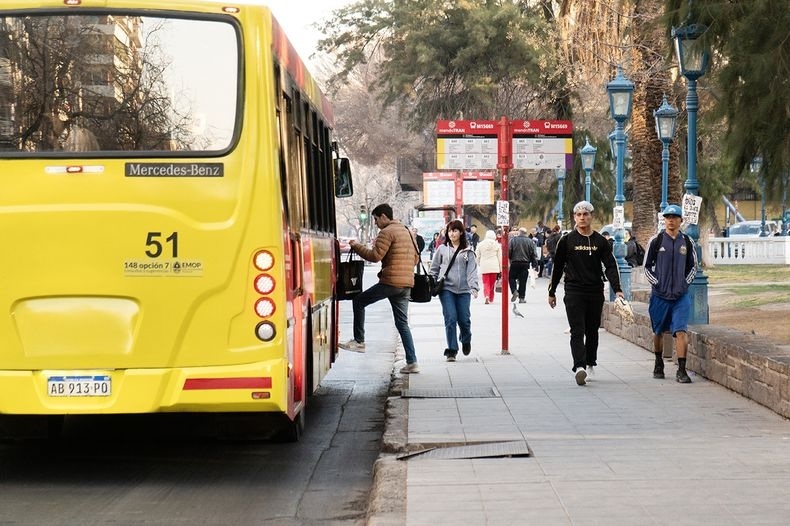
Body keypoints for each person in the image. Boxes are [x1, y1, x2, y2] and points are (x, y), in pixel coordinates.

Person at [548, 201, 624, 386]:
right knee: (577, 330)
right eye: (578, 214)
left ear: (591, 216)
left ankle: (590, 361)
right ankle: (579, 367)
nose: (582, 217)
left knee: (592, 331)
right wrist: (552, 292)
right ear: (574, 217)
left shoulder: (600, 241)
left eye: (585, 214)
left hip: (595, 291)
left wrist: (618, 290)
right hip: (574, 291)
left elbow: (611, 266)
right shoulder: (566, 241)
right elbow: (557, 267)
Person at [340, 203, 421, 374]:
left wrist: (356, 246)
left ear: (384, 216)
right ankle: (412, 362)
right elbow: (415, 258)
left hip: (391, 282)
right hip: (406, 283)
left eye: (376, 219)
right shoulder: (407, 231)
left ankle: (359, 341)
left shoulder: (386, 232)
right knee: (402, 323)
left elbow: (375, 256)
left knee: (359, 301)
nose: (376, 223)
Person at [643, 204, 698, 383]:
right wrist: (657, 283)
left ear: (681, 220)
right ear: (664, 220)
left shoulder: (687, 242)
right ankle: (658, 361)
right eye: (668, 217)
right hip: (660, 296)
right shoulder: (656, 241)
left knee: (681, 331)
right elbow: (647, 266)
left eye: (675, 217)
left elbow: (693, 266)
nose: (671, 220)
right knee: (658, 331)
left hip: (680, 297)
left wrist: (685, 283)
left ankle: (682, 370)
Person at [431, 219, 480, 361]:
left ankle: (466, 339)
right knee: (450, 318)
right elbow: (434, 269)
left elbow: (472, 271)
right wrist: (432, 282)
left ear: (461, 233)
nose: (452, 233)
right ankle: (451, 350)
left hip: (464, 290)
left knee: (464, 320)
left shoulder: (468, 251)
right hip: (446, 289)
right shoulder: (442, 249)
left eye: (455, 231)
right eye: (450, 231)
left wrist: (474, 287)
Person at [508, 227, 538, 304]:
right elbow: (534, 254)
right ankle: (522, 298)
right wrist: (535, 264)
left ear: (519, 232)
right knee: (523, 281)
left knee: (511, 277)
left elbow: (509, 250)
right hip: (525, 263)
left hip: (515, 262)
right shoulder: (530, 241)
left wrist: (510, 258)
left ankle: (514, 290)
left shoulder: (513, 240)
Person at [475, 230, 501, 304]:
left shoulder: (480, 244)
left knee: (486, 282)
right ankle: (491, 299)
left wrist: (479, 263)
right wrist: (501, 268)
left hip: (484, 265)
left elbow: (477, 256)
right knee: (492, 284)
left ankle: (486, 295)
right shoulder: (497, 245)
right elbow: (500, 257)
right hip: (494, 266)